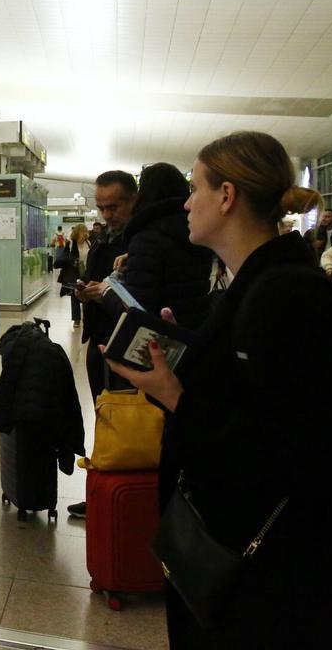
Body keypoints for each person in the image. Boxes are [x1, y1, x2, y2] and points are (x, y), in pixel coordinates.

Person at [107, 132, 332, 647]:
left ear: (227, 196)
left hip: (275, 579)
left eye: (195, 188)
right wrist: (186, 347)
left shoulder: (285, 296)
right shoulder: (256, 283)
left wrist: (176, 395)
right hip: (261, 565)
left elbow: (286, 448)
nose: (185, 202)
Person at [67, 171, 136, 521]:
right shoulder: (105, 238)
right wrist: (86, 292)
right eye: (101, 207)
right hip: (100, 338)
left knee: (123, 422)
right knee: (104, 416)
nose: (106, 215)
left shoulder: (138, 242)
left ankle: (119, 495)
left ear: (133, 201)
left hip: (122, 344)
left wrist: (103, 294)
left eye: (114, 206)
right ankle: (102, 491)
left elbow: (140, 299)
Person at [116, 163, 214, 330]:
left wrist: (106, 293)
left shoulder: (146, 237)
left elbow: (139, 307)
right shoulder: (197, 231)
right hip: (195, 326)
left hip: (161, 334)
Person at [55, 223, 90, 327]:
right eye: (83, 232)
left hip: (85, 271)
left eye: (86, 232)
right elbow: (63, 258)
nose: (85, 234)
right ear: (77, 233)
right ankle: (76, 319)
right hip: (73, 272)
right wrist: (72, 260)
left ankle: (86, 317)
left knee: (86, 293)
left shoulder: (88, 242)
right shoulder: (70, 243)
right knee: (74, 294)